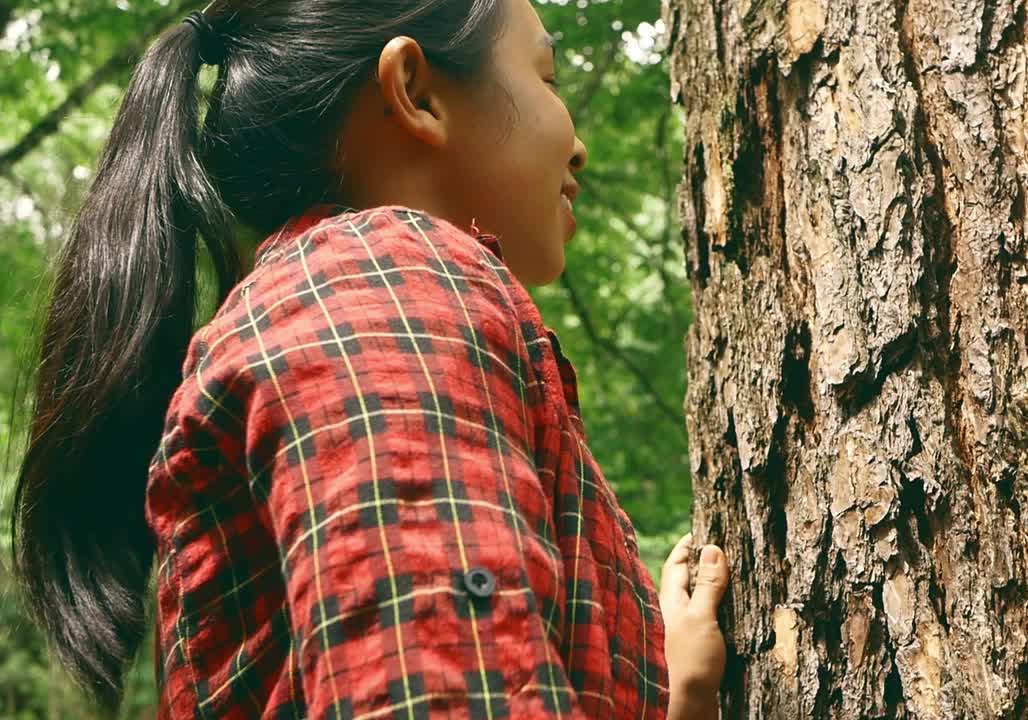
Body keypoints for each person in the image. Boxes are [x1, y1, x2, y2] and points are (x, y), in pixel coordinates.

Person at [9, 1, 729, 718]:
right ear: (415, 93)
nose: (579, 148)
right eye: (546, 77)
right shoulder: (382, 283)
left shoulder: (346, 299)